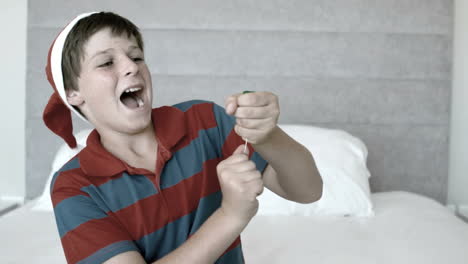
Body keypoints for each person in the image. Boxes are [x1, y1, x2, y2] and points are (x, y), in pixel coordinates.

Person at [43, 11, 323, 264]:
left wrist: (267, 135)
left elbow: (308, 191)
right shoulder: (73, 187)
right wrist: (231, 216)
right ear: (72, 93)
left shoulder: (205, 122)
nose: (131, 67)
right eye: (106, 63)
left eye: (137, 56)